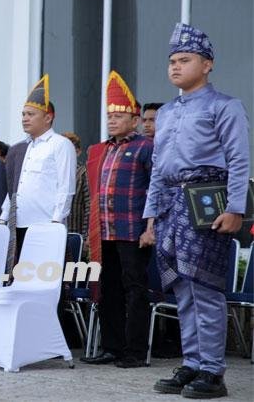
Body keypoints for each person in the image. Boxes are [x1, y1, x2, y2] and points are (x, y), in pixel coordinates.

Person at [144, 23, 249, 399]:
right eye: (172, 61)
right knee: (181, 288)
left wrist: (236, 207)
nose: (175, 66)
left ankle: (213, 372)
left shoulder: (226, 106)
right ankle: (192, 363)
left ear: (207, 65)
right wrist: (150, 216)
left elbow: (239, 161)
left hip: (206, 200)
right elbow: (157, 166)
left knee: (205, 287)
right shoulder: (168, 112)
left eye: (184, 60)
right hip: (171, 205)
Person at [81, 71, 153, 369]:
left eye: (119, 116)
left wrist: (151, 227)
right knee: (108, 289)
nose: (112, 120)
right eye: (109, 115)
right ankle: (112, 347)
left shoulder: (145, 147)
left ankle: (134, 352)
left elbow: (156, 191)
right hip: (105, 231)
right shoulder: (101, 149)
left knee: (135, 290)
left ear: (135, 120)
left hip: (133, 231)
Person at [4, 75, 76, 271]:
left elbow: (66, 187)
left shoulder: (61, 144)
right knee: (21, 276)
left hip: (46, 224)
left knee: (47, 277)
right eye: (23, 114)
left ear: (48, 117)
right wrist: (3, 218)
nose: (24, 119)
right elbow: (13, 188)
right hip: (19, 224)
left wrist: (56, 221)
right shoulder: (21, 148)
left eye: (30, 114)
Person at [61, 132, 89, 258]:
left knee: (74, 273)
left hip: (75, 234)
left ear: (78, 152)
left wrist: (85, 236)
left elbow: (89, 206)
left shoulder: (83, 173)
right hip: (53, 233)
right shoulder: (51, 173)